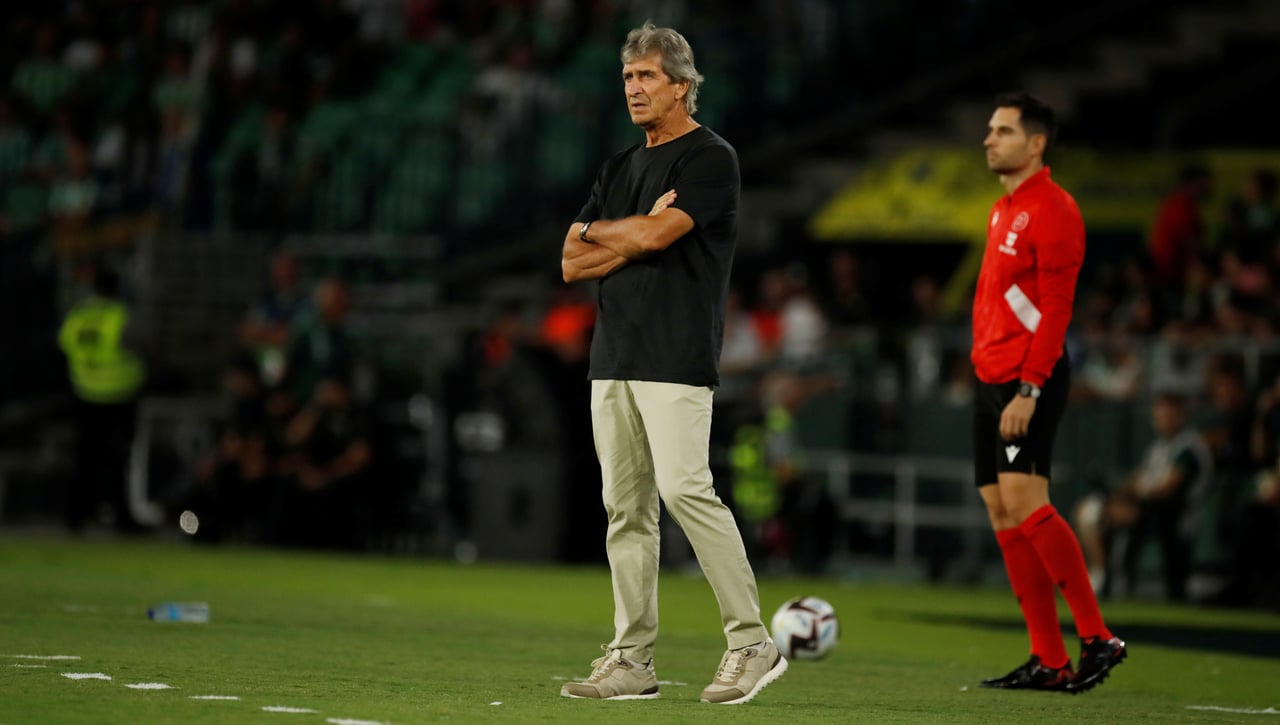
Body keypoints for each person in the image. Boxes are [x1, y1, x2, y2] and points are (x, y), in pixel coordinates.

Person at [557, 22, 787, 705]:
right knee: (625, 509)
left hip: (675, 354)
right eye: (628, 77)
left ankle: (752, 641)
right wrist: (617, 234)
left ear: (682, 86)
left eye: (647, 76)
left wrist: (611, 233)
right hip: (613, 354)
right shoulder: (619, 168)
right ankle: (632, 659)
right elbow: (570, 261)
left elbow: (657, 234)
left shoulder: (710, 159)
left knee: (686, 491)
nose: (633, 88)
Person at [971, 92, 1126, 693]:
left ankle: (1097, 636)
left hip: (1025, 379)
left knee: (1026, 499)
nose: (990, 139)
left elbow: (1058, 308)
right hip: (990, 376)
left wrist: (1030, 389)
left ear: (1036, 143)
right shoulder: (1003, 209)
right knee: (999, 506)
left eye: (1004, 131)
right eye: (991, 129)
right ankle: (1048, 658)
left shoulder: (1054, 208)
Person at [1076, 392, 1212, 602]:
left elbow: (1168, 487)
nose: (1163, 419)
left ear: (1181, 415)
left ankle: (1111, 580)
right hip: (1149, 508)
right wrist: (1120, 490)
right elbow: (1139, 479)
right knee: (1090, 511)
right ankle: (1100, 574)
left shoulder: (1189, 447)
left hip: (1173, 513)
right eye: (1160, 414)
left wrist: (1134, 495)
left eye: (1169, 414)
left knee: (1107, 515)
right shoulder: (1159, 448)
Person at [58, 261, 147, 533]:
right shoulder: (122, 315)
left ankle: (75, 515)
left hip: (84, 392)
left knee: (84, 457)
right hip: (121, 394)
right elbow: (143, 345)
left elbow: (64, 343)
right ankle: (119, 516)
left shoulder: (78, 315)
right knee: (118, 460)